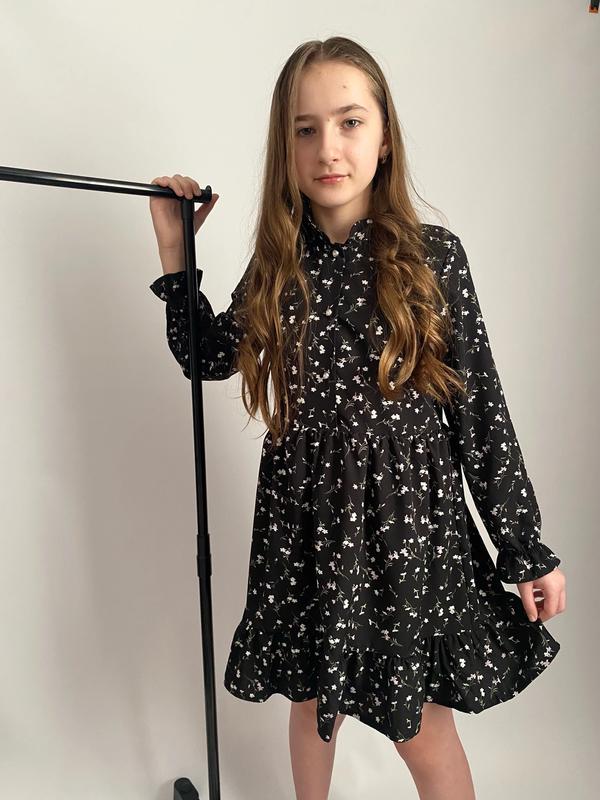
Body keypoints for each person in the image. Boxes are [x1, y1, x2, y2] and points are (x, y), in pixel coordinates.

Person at [147, 36, 566, 800]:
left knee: (421, 727)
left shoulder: (433, 258)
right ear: (286, 149)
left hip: (406, 528)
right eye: (305, 130)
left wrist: (523, 547)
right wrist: (177, 252)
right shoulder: (279, 266)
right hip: (305, 522)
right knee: (313, 705)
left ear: (384, 136)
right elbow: (208, 357)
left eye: (348, 122)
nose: (328, 148)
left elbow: (481, 413)